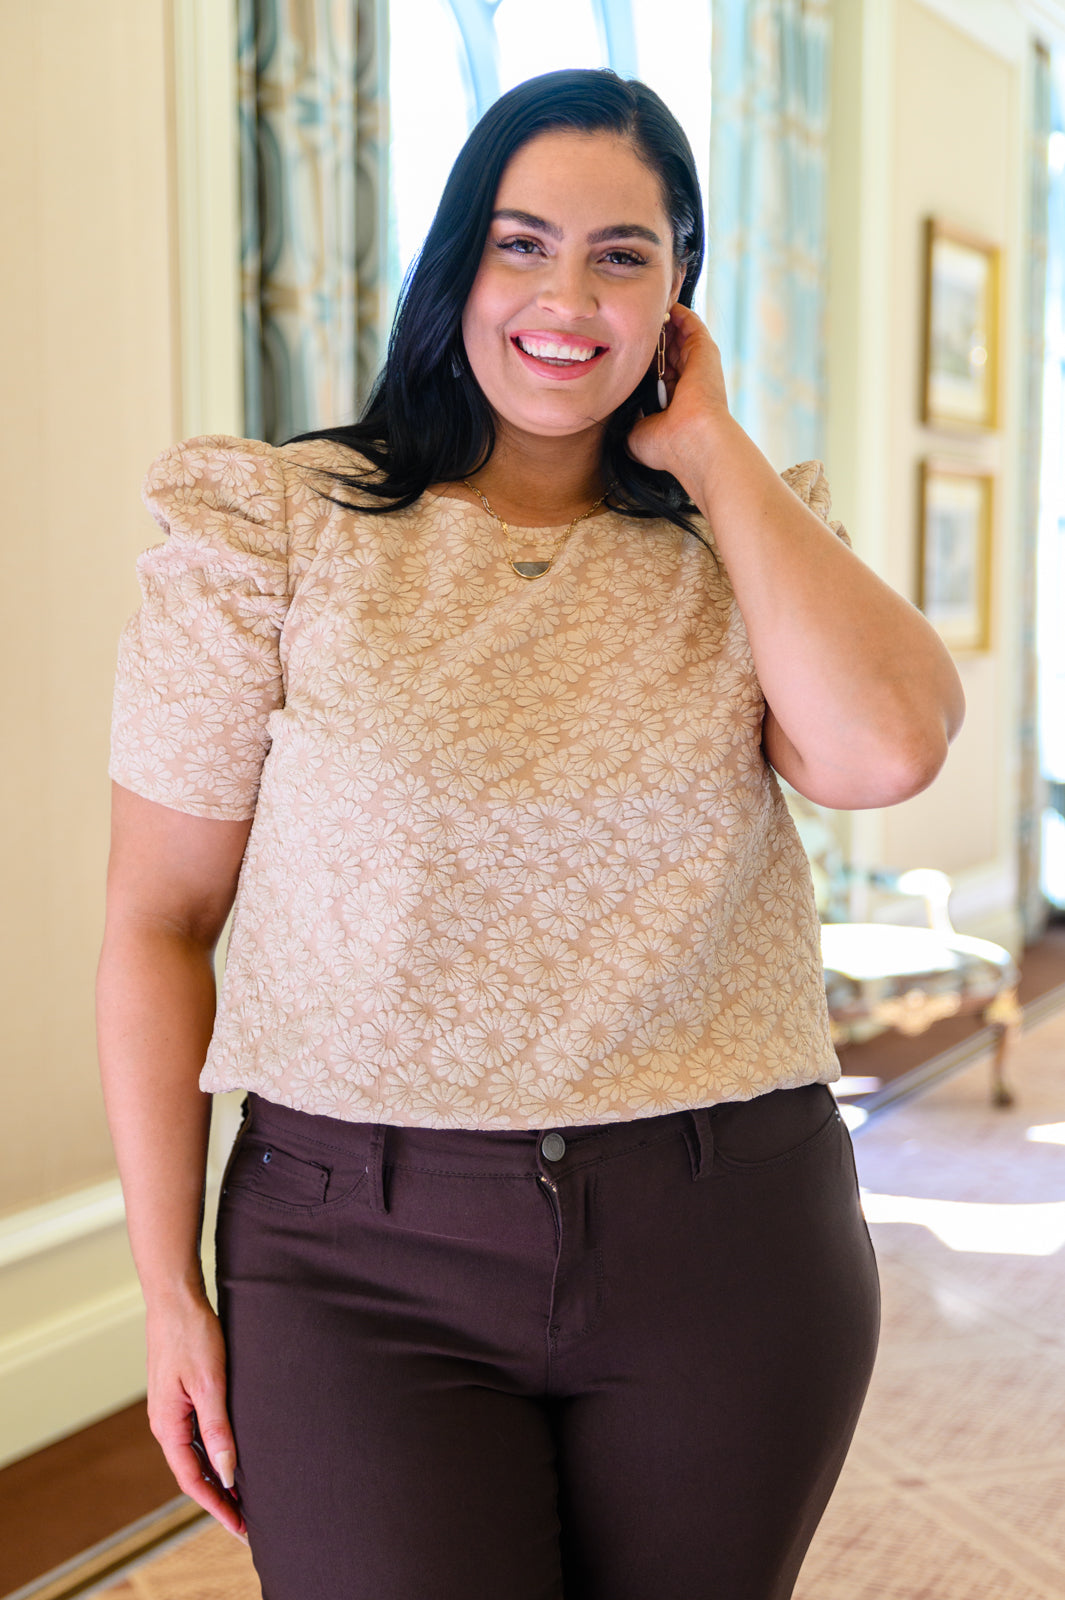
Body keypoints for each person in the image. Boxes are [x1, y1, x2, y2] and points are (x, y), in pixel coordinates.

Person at [97, 68, 964, 1600]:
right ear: (457, 261)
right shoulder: (276, 530)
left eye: (621, 255)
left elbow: (886, 748)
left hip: (727, 1234)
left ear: (677, 294)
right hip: (353, 1255)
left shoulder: (742, 542)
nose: (567, 298)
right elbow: (158, 923)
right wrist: (167, 1287)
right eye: (521, 243)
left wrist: (712, 451)